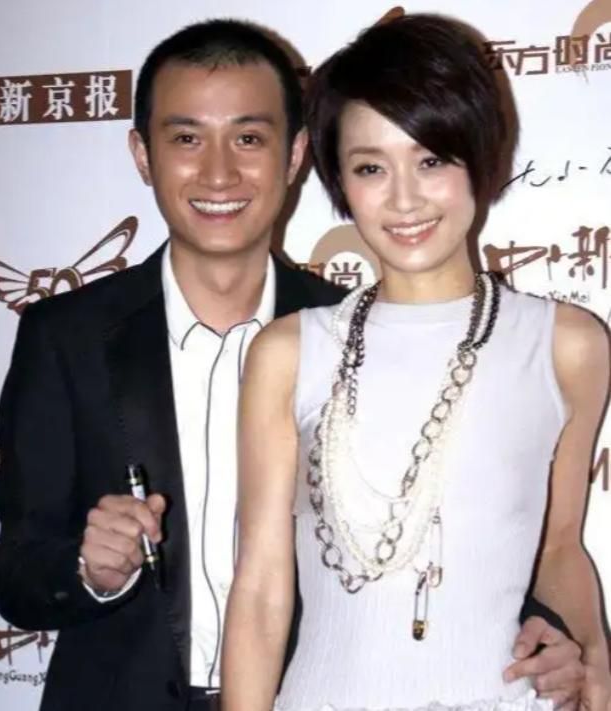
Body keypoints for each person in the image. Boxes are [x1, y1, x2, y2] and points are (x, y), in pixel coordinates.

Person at [0, 16, 582, 711]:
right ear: (142, 155)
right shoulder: (67, 337)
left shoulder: (350, 333)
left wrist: (551, 633)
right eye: (186, 139)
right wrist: (88, 569)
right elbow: (16, 572)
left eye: (249, 138)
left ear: (296, 153)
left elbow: (473, 528)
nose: (219, 172)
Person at [221, 13, 609, 711]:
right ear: (340, 181)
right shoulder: (289, 352)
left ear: (479, 158)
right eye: (371, 168)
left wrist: (595, 665)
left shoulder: (567, 344)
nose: (403, 199)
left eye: (431, 160)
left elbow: (559, 549)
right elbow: (260, 590)